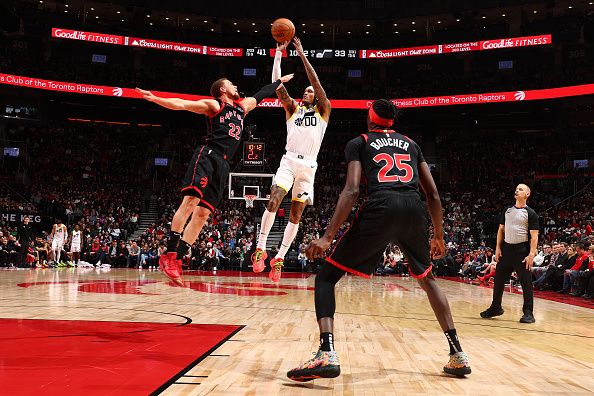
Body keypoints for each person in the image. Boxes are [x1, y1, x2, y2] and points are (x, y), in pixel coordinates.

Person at [286, 99, 471, 382]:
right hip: (414, 207)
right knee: (427, 279)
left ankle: (326, 352)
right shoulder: (411, 143)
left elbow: (351, 191)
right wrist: (438, 235)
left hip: (382, 206)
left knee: (326, 278)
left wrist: (327, 237)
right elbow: (433, 195)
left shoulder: (359, 142)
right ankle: (457, 354)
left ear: (369, 118)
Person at [136, 73, 293, 285]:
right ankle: (170, 255)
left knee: (202, 215)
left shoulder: (242, 108)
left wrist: (278, 83)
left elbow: (261, 94)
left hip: (224, 165)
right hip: (207, 156)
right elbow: (182, 104)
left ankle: (178, 259)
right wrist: (155, 98)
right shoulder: (214, 105)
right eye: (231, 83)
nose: (236, 85)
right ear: (222, 90)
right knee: (190, 202)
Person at [252, 37, 331, 282]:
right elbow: (277, 86)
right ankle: (261, 249)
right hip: (288, 161)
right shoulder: (293, 109)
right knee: (274, 198)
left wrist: (301, 54)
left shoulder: (324, 109)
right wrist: (278, 55)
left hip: (308, 166)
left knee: (296, 214)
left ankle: (280, 257)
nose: (306, 92)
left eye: (309, 91)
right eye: (305, 91)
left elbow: (315, 82)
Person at [480, 184, 539, 323]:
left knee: (526, 282)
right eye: (517, 189)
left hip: (521, 251)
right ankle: (495, 307)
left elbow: (534, 236)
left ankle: (528, 312)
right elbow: (501, 230)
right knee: (499, 280)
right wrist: (498, 248)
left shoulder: (531, 213)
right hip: (506, 250)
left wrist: (531, 254)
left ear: (527, 194)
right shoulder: (507, 210)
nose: (517, 190)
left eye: (521, 189)